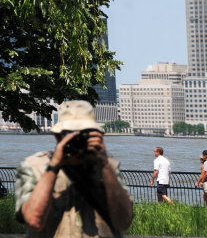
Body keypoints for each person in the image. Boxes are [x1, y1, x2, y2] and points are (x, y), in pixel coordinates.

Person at [14, 100, 133, 237]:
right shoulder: (34, 167)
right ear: (58, 135)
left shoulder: (109, 167)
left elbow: (124, 222)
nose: (78, 140)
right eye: (71, 134)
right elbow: (34, 221)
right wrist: (54, 166)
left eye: (85, 134)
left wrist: (104, 165)